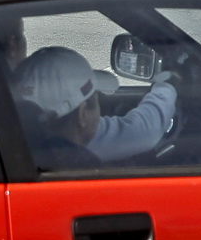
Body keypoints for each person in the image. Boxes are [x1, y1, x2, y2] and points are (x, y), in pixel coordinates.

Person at [10, 45, 179, 169]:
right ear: (82, 114)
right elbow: (144, 130)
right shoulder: (82, 160)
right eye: (96, 100)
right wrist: (167, 84)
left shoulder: (7, 143)